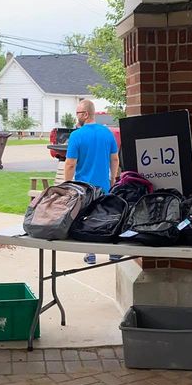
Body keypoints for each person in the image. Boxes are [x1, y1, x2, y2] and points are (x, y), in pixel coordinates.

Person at [62, 98, 119, 264]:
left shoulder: (76, 135)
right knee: (105, 217)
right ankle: (113, 252)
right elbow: (114, 159)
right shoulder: (107, 133)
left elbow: (70, 164)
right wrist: (113, 178)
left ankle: (90, 253)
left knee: (86, 219)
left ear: (86, 114)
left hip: (84, 188)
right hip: (104, 186)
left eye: (78, 113)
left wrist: (67, 185)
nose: (77, 116)